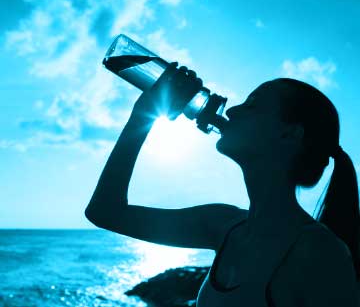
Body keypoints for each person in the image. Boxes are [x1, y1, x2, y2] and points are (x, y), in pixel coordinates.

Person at [85, 63, 360, 306]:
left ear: (289, 133)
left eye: (252, 104)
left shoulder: (320, 253)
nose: (234, 109)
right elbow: (104, 212)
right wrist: (144, 114)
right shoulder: (222, 224)